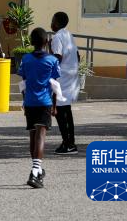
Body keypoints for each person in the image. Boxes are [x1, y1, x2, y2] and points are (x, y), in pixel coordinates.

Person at [17, 27, 60, 189]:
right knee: (41, 136)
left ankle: (38, 170)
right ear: (47, 42)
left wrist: (24, 102)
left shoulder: (26, 59)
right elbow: (54, 85)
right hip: (44, 102)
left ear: (30, 42)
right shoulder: (52, 60)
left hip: (30, 102)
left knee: (33, 136)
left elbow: (23, 83)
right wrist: (54, 106)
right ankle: (35, 172)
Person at [50, 12, 79, 154]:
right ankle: (70, 142)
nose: (51, 23)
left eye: (52, 20)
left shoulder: (57, 37)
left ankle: (68, 143)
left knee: (61, 112)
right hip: (71, 76)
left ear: (56, 23)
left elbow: (57, 57)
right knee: (66, 110)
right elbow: (77, 55)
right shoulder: (69, 35)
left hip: (62, 78)